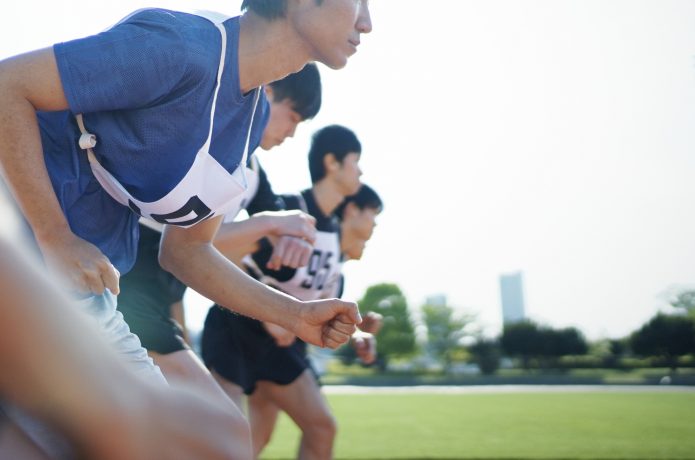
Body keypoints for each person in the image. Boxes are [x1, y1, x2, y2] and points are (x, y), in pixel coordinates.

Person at [0, 1, 371, 457]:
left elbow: (187, 251)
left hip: (88, 289)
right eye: (358, 1)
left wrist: (294, 315)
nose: (366, 21)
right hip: (21, 264)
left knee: (221, 440)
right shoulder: (182, 47)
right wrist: (54, 233)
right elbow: (7, 84)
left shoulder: (249, 119)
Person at [117, 63, 323, 401]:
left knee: (188, 422)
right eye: (294, 117)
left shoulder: (253, 172)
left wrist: (288, 233)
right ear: (267, 93)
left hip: (165, 298)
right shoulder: (207, 138)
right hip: (128, 282)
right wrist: (271, 222)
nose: (291, 133)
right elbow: (186, 242)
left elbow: (266, 244)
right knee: (212, 419)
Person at [203, 125, 379, 459]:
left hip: (280, 346)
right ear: (333, 163)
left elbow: (314, 310)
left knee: (268, 439)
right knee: (235, 442)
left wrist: (356, 338)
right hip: (236, 330)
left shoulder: (333, 244)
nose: (361, 171)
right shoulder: (288, 211)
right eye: (357, 161)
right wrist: (270, 311)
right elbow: (218, 251)